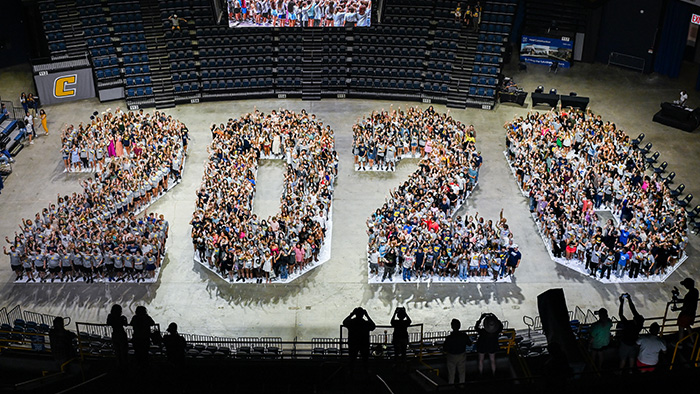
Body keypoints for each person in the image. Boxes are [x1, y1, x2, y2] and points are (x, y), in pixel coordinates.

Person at [343, 307, 376, 372]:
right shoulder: (365, 323)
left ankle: (351, 375)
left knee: (352, 360)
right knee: (365, 361)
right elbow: (373, 326)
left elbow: (344, 322)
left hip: (353, 343)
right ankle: (365, 375)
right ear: (363, 314)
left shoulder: (351, 322)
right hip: (364, 344)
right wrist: (367, 316)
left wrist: (351, 314)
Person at [616, 293, 644, 373]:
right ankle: (630, 371)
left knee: (623, 358)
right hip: (633, 343)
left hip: (625, 343)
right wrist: (629, 299)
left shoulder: (628, 325)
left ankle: (620, 372)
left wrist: (622, 303)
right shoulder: (639, 326)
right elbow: (634, 310)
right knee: (632, 357)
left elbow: (620, 314)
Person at [443, 318, 471, 384]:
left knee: (451, 373)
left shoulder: (449, 338)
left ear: (452, 326)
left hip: (451, 356)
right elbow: (469, 343)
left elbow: (445, 348)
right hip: (461, 355)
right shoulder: (464, 336)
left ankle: (451, 386)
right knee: (462, 372)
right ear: (459, 326)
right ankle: (462, 385)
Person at [676, 277, 698, 346]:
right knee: (687, 326)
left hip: (686, 314)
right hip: (691, 313)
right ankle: (693, 341)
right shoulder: (695, 292)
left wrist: (677, 309)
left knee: (681, 327)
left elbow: (686, 305)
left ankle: (680, 344)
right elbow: (688, 301)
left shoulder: (690, 294)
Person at [106, 304, 129, 369]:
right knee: (124, 350)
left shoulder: (110, 316)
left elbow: (108, 323)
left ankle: (118, 364)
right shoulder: (121, 317)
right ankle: (125, 365)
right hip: (122, 334)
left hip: (115, 334)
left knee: (117, 351)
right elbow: (126, 324)